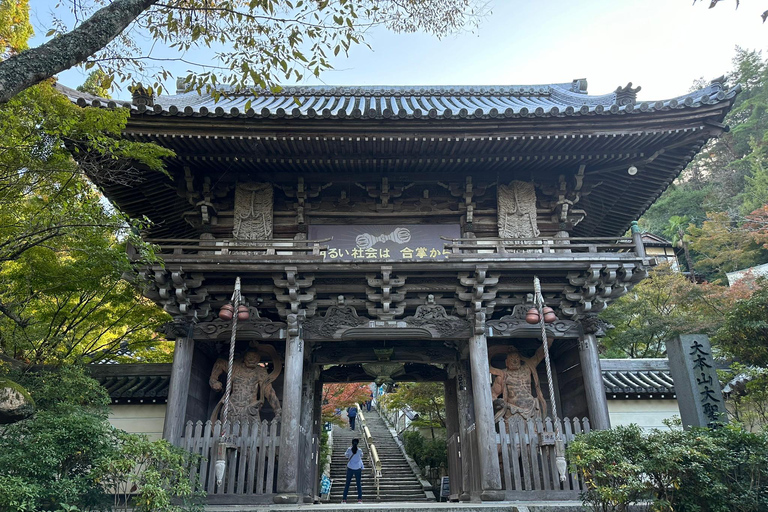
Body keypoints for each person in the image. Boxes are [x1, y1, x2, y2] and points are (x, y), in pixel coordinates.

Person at [489, 338, 553, 422]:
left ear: (520, 359)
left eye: (517, 358)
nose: (515, 361)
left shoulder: (527, 369)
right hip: (513, 411)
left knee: (535, 432)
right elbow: (493, 395)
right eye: (512, 359)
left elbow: (539, 354)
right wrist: (498, 403)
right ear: (506, 362)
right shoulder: (502, 375)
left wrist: (549, 340)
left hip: (532, 409)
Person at [342, 438, 364, 504]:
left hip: (350, 468)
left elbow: (346, 455)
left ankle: (344, 499)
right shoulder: (359, 450)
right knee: (358, 484)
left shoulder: (349, 449)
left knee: (347, 484)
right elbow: (361, 456)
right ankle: (359, 499)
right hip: (358, 468)